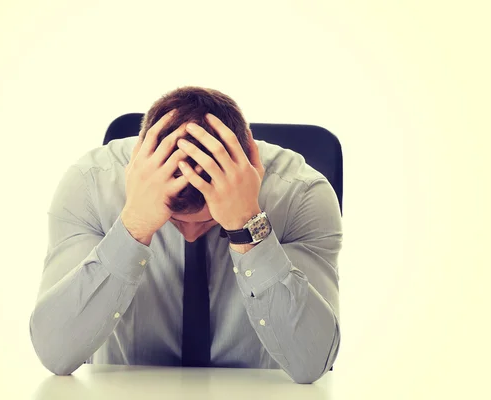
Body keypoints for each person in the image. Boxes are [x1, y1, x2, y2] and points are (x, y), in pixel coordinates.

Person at [29, 86, 342, 384]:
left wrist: (247, 226)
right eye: (175, 221)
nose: (191, 234)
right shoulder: (90, 185)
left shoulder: (300, 194)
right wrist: (134, 226)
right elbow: (56, 353)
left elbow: (311, 363)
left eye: (208, 222)